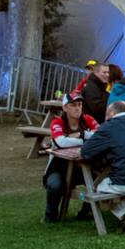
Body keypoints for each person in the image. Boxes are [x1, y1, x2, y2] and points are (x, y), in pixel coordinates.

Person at [42, 94, 98, 223]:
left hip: (82, 166)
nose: (77, 108)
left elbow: (101, 135)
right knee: (55, 185)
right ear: (65, 108)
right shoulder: (57, 122)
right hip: (58, 166)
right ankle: (50, 216)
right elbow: (60, 142)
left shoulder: (88, 119)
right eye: (73, 105)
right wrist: (84, 140)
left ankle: (87, 210)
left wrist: (82, 134)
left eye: (79, 105)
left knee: (99, 180)